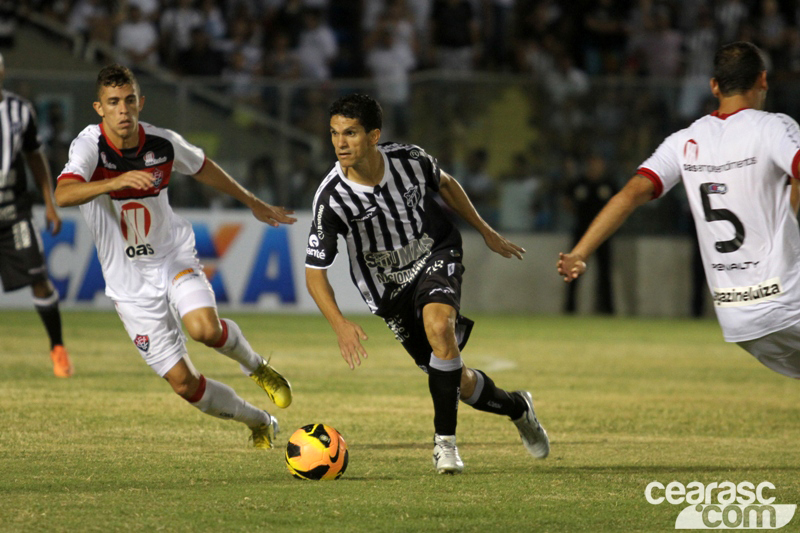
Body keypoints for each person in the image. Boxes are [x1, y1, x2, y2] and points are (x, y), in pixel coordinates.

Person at [305, 93, 550, 474]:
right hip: (389, 291)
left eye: (350, 133)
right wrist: (339, 324)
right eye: (335, 133)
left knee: (440, 327)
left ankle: (445, 446)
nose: (340, 143)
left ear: (373, 136)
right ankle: (519, 408)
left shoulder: (409, 159)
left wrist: (485, 231)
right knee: (458, 381)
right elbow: (314, 271)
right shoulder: (332, 199)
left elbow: (446, 183)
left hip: (436, 252)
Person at [54, 64, 294, 448]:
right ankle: (259, 420)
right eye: (113, 103)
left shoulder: (161, 143)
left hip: (171, 257)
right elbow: (63, 194)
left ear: (140, 102)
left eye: (130, 101)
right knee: (183, 384)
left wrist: (251, 201)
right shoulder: (89, 147)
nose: (123, 110)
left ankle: (257, 367)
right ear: (99, 108)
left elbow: (202, 167)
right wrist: (115, 181)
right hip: (129, 284)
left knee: (205, 330)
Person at [558, 42, 800, 379]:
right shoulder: (774, 127)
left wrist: (579, 253)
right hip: (789, 300)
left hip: (738, 317)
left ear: (714, 85)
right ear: (763, 80)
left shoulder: (684, 140)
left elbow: (628, 195)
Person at [0, 53, 73, 378]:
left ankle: (57, 348)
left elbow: (34, 157)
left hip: (13, 210)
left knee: (39, 280)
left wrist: (49, 201)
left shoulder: (19, 110)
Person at [562, 154, 617, 314]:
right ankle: (570, 308)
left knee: (605, 272)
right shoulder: (579, 184)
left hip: (602, 235)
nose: (595, 168)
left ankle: (607, 309)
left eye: (598, 164)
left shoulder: (608, 184)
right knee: (573, 269)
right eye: (592, 164)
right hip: (581, 233)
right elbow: (566, 201)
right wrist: (577, 214)